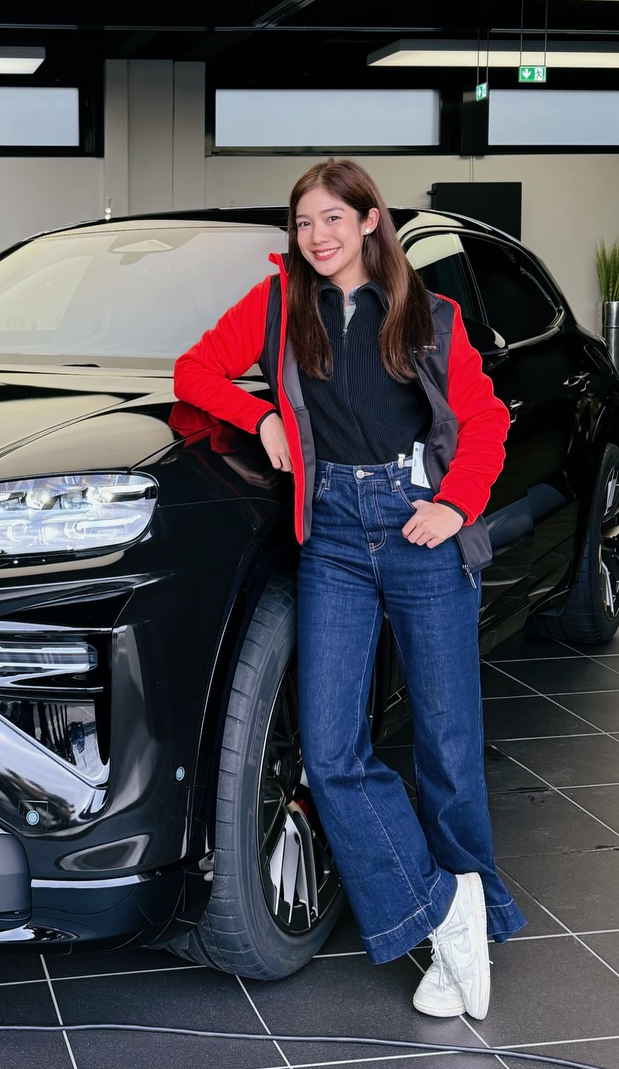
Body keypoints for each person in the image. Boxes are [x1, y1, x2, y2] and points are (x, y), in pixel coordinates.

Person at [173, 158, 522, 1017]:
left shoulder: (429, 314)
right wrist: (260, 415)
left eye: (333, 218)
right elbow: (195, 373)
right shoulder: (277, 308)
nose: (317, 237)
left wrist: (454, 504)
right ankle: (445, 910)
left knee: (446, 746)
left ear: (370, 220)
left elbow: (485, 420)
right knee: (330, 754)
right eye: (304, 223)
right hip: (330, 533)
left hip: (417, 524)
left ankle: (465, 924)